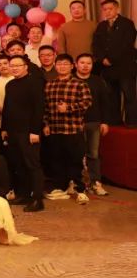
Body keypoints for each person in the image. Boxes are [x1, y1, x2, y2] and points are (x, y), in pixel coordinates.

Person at [42, 54, 93, 204]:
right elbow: (45, 107)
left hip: (73, 129)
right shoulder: (50, 85)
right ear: (55, 66)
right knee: (56, 161)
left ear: (72, 66)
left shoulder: (80, 84)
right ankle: (61, 187)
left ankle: (80, 190)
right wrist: (45, 124)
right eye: (59, 64)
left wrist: (69, 108)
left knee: (76, 161)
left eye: (65, 64)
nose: (62, 67)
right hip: (54, 129)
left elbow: (87, 102)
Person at [0, 56, 46, 212]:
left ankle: (37, 199)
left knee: (32, 164)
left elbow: (39, 108)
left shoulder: (35, 83)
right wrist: (4, 128)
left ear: (26, 67)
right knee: (18, 164)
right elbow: (7, 107)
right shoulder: (10, 84)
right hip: (12, 130)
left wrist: (35, 131)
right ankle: (24, 195)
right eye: (12, 66)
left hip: (28, 131)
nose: (14, 68)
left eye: (18, 65)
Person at [92, 0, 136, 125]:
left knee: (129, 96)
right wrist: (102, 58)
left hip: (125, 67)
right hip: (107, 68)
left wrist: (111, 59)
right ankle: (115, 122)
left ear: (117, 8)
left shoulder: (127, 23)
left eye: (110, 9)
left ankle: (132, 122)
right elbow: (96, 44)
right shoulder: (101, 25)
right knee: (111, 97)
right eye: (105, 9)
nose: (107, 11)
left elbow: (127, 44)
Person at [75, 53, 111, 196]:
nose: (85, 66)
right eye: (82, 62)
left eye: (88, 63)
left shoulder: (98, 81)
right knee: (76, 154)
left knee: (93, 154)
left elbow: (105, 103)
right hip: (74, 123)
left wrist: (105, 122)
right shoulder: (71, 80)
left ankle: (96, 183)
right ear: (76, 64)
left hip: (94, 122)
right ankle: (79, 184)